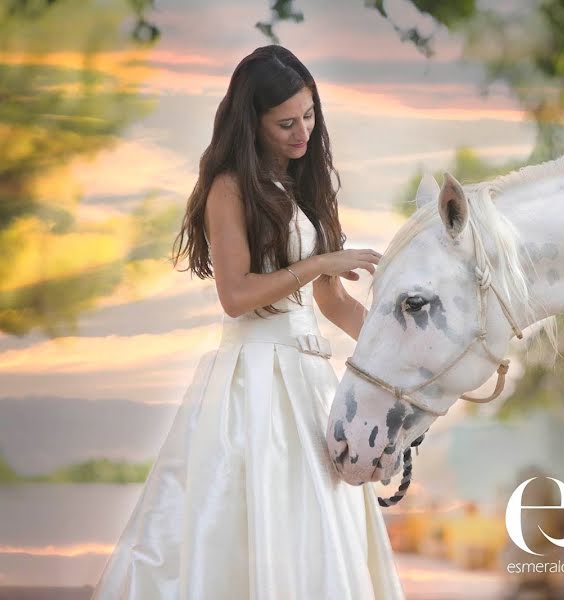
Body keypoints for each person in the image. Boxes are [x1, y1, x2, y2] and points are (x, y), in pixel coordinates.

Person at [90, 45, 405, 599]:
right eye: (285, 122)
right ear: (251, 121)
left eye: (309, 116)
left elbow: (332, 304)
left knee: (322, 522)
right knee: (247, 518)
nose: (302, 132)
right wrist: (319, 263)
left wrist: (397, 351)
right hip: (256, 379)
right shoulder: (229, 187)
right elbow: (235, 296)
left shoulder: (305, 188)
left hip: (308, 382)